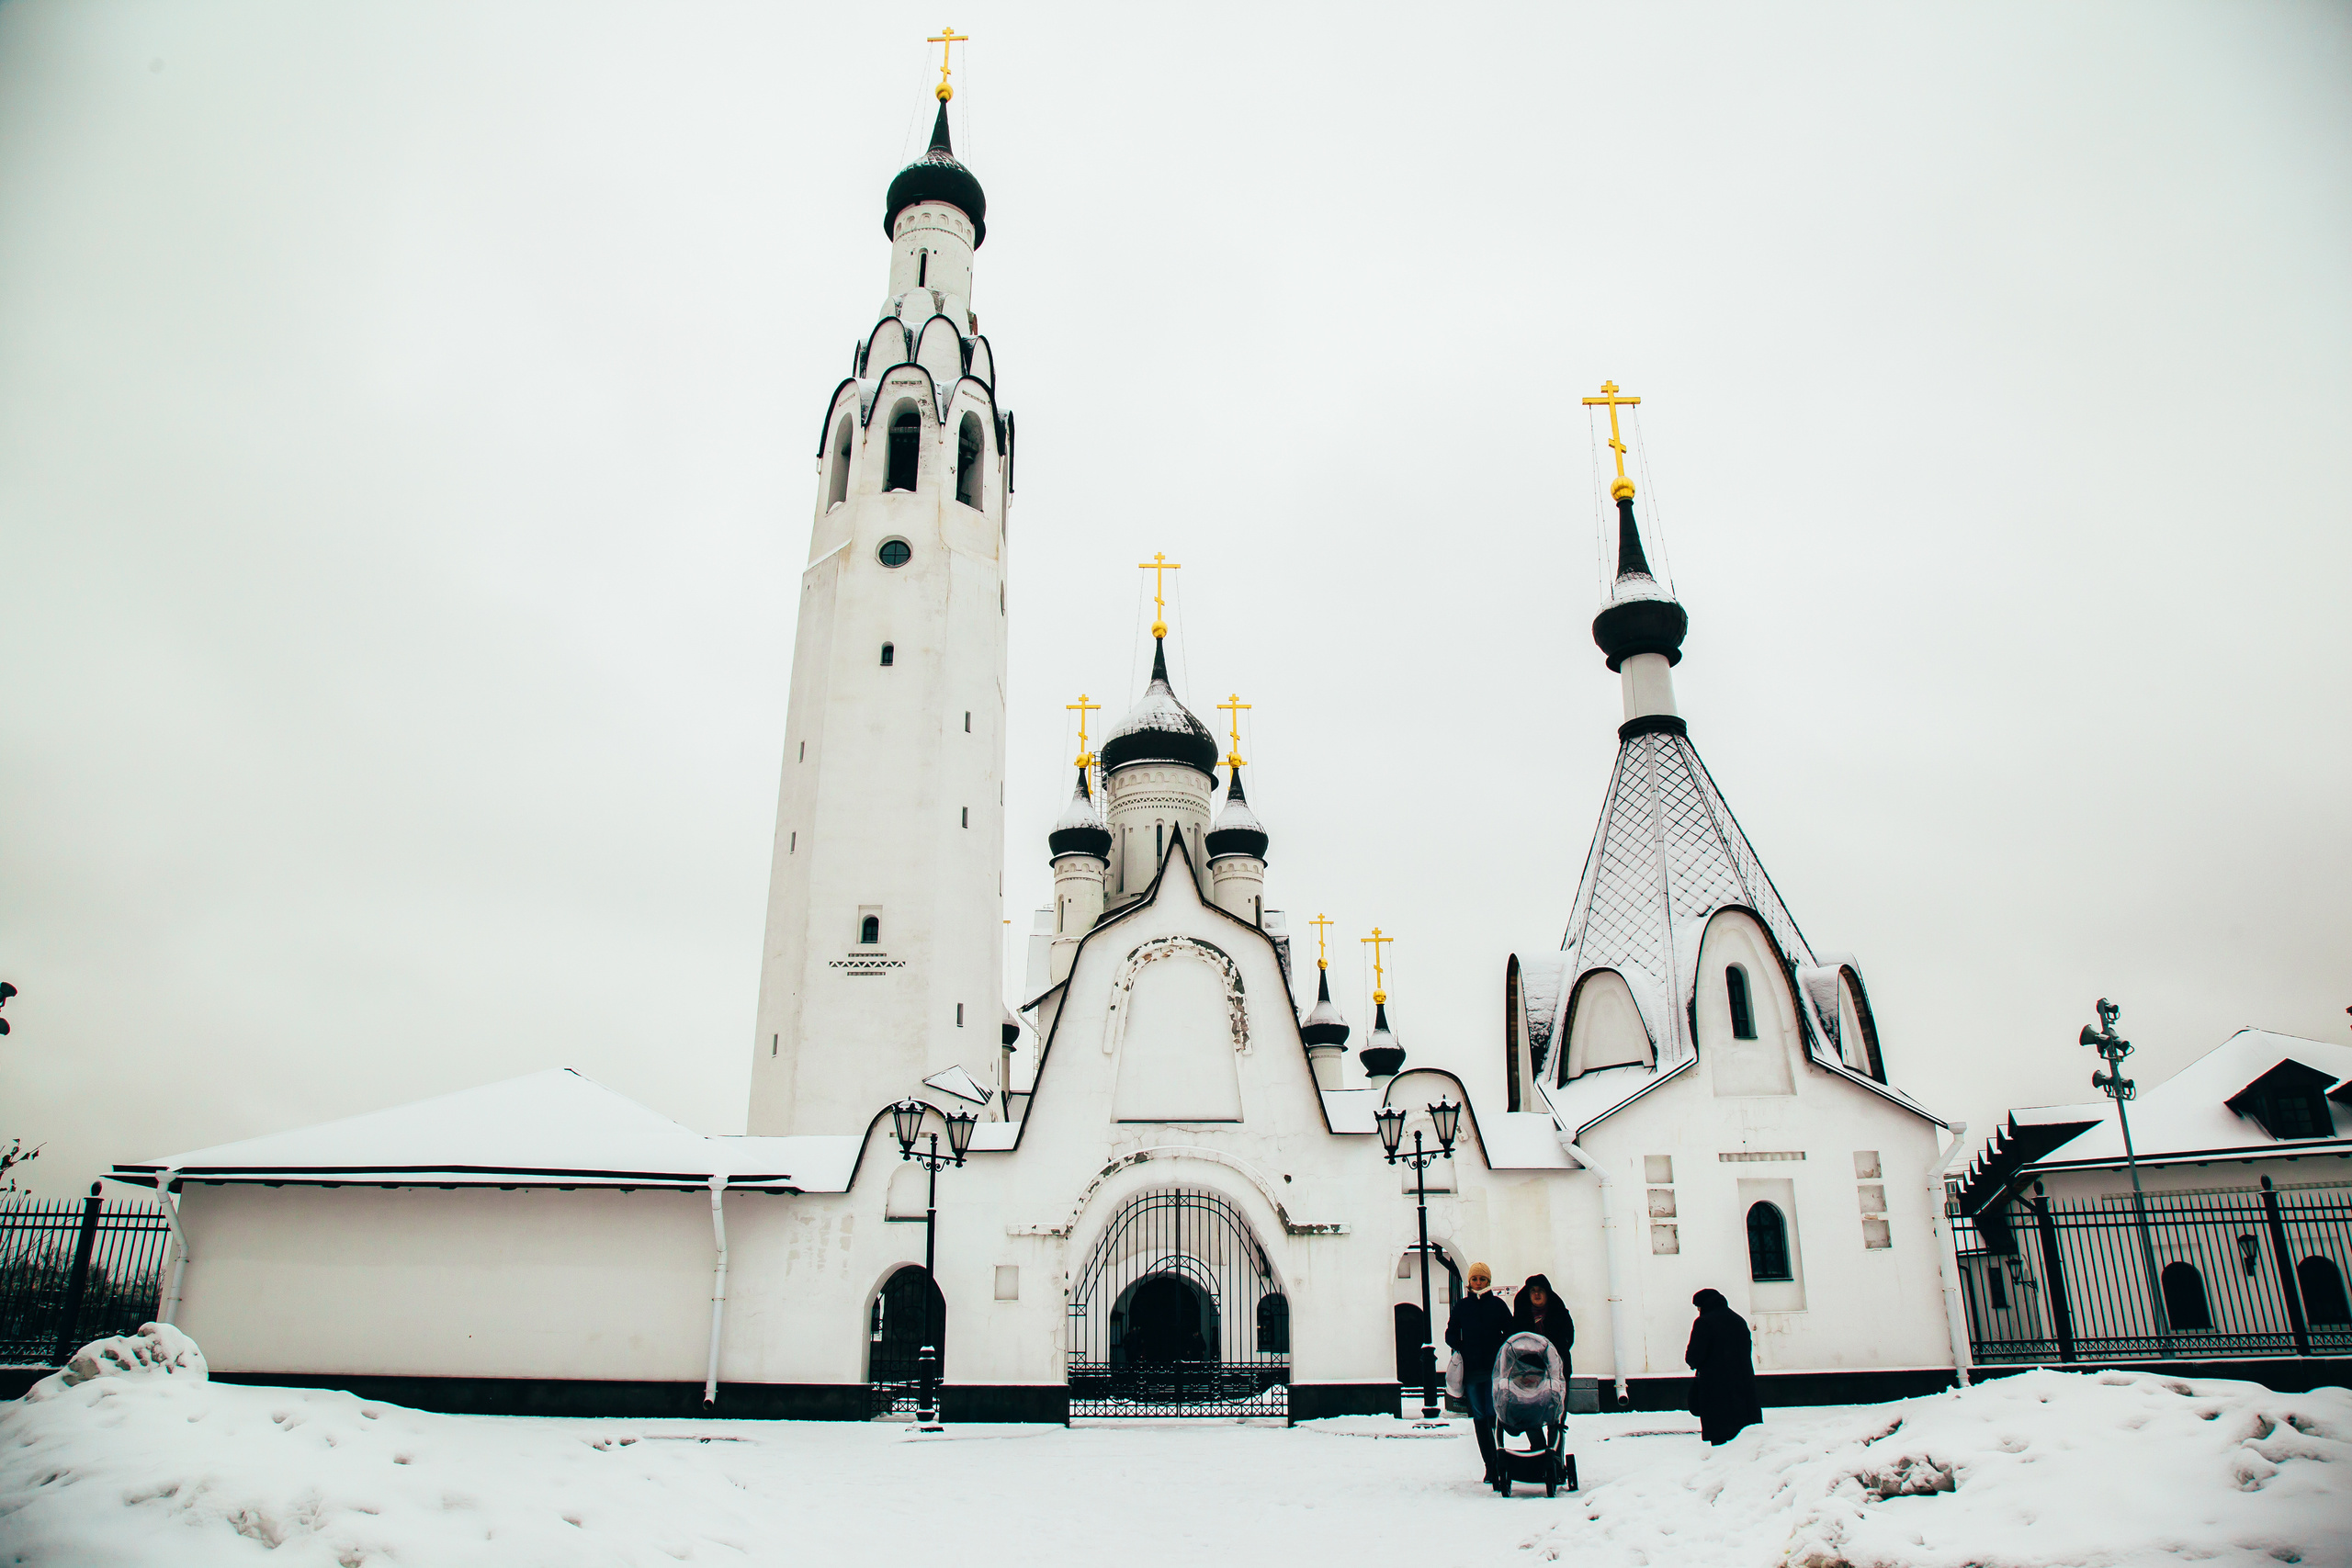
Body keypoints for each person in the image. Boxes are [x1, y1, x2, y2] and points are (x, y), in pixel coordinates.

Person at [1444, 1261, 1513, 1484]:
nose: (1478, 1282)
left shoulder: (1498, 1305)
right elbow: (1451, 1334)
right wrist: (1463, 1347)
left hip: (1494, 1369)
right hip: (1473, 1372)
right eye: (1475, 1279)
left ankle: (1499, 1461)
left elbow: (1510, 1331)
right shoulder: (1463, 1306)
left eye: (1482, 1279)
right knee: (1479, 1418)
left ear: (1488, 1282)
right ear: (1470, 1281)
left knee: (1493, 1415)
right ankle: (1489, 1465)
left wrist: (1500, 1348)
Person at [1685, 1289, 1763, 1445]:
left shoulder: (1704, 1322)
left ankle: (1721, 1463)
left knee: (1720, 1436)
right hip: (1743, 1386)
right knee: (1743, 1438)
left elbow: (1694, 1356)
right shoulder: (1738, 1320)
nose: (1698, 1311)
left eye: (1698, 1307)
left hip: (1716, 1388)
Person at [1512, 1273, 1574, 1371]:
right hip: (1528, 1370)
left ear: (1547, 1293)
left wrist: (1555, 1355)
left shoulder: (1560, 1313)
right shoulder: (1521, 1316)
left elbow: (1568, 1338)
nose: (1536, 1294)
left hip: (1557, 1367)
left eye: (1540, 1290)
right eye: (1533, 1291)